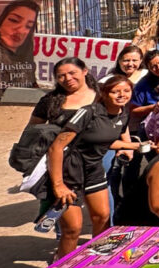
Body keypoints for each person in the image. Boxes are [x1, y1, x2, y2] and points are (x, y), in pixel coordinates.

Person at [47, 75, 140, 257]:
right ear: (104, 94)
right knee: (73, 229)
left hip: (94, 170)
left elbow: (104, 141)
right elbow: (56, 147)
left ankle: (94, 259)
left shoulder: (123, 114)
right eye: (115, 91)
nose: (121, 95)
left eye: (126, 91)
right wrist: (58, 184)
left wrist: (134, 145)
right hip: (70, 171)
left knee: (102, 217)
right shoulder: (89, 112)